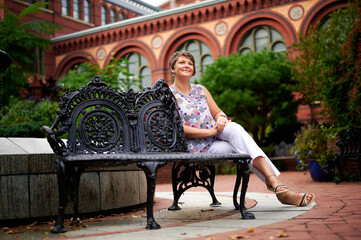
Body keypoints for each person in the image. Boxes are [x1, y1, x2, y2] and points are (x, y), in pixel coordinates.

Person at [168, 50, 315, 207]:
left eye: (190, 63)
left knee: (236, 130)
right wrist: (209, 132)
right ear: (172, 69)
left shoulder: (200, 90)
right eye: (182, 62)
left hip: (215, 135)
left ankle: (275, 183)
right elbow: (176, 128)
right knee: (243, 148)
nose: (187, 65)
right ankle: (277, 187)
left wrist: (222, 119)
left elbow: (218, 112)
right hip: (195, 146)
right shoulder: (169, 94)